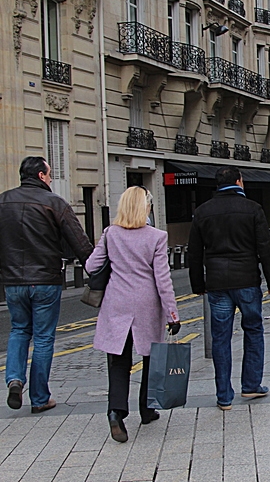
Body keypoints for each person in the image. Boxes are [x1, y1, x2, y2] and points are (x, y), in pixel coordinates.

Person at [86, 186, 180, 442]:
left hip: (116, 302)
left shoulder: (110, 233)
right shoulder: (157, 236)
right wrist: (173, 313)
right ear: (146, 207)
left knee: (118, 361)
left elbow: (91, 265)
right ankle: (146, 409)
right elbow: (162, 279)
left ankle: (116, 412)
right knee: (150, 357)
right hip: (146, 304)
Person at [0, 156, 93, 414]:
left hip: (13, 281)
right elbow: (80, 243)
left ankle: (15, 379)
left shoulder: (3, 201)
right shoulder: (54, 203)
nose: (51, 178)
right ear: (41, 176)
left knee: (19, 329)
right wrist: (96, 271)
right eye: (50, 174)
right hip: (45, 279)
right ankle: (40, 398)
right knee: (43, 338)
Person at [188, 166, 270, 410]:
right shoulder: (253, 209)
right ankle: (251, 385)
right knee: (253, 329)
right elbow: (265, 248)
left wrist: (198, 284)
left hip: (217, 283)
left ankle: (224, 396)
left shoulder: (202, 212)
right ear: (239, 182)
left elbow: (195, 253)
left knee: (220, 338)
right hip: (247, 280)